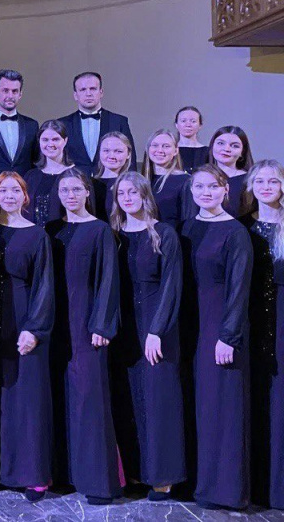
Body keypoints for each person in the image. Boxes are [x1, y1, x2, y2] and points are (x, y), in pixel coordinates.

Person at [108, 172, 186, 501]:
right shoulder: (113, 235)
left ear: (144, 195)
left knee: (158, 401)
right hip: (124, 328)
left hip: (155, 326)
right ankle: (137, 472)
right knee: (129, 399)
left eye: (133, 192)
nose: (127, 198)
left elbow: (172, 285)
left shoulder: (163, 233)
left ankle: (163, 478)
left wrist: (157, 330)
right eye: (121, 193)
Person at [47, 167, 121, 505]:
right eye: (65, 190)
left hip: (86, 324)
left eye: (76, 189)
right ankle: (64, 475)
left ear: (88, 192)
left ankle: (97, 482)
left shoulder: (100, 230)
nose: (70, 195)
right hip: (55, 325)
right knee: (59, 397)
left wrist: (101, 325)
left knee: (89, 398)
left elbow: (108, 279)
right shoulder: (52, 230)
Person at [180, 165, 252, 510]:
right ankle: (196, 483)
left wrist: (228, 335)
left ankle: (224, 491)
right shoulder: (185, 227)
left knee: (221, 407)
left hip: (218, 327)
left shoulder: (235, 232)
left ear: (226, 190)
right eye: (199, 187)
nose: (205, 192)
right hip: (188, 328)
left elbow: (239, 288)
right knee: (196, 407)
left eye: (212, 186)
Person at [0, 171, 54, 502]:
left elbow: (44, 285)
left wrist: (34, 329)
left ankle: (33, 475)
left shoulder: (37, 234)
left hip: (24, 318)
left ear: (25, 197)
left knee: (27, 397)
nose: (10, 196)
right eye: (4, 190)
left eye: (16, 190)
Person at [245, 159, 283, 508]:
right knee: (254, 397)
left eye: (273, 181)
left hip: (282, 323)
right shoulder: (242, 226)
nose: (266, 187)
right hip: (251, 321)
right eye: (260, 181)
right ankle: (255, 486)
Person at [58, 72, 134, 174]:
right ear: (75, 95)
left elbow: (131, 158)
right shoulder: (62, 124)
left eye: (93, 89)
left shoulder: (119, 121)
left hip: (111, 180)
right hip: (75, 180)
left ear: (101, 92)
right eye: (83, 90)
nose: (88, 94)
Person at [24, 120, 74, 225]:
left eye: (55, 139)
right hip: (34, 234)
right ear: (39, 141)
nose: (50, 144)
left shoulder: (76, 175)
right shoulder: (31, 176)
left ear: (65, 141)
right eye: (45, 140)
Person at [141, 128, 194, 227]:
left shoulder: (185, 181)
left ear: (176, 151)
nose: (160, 150)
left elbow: (189, 220)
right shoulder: (141, 180)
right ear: (148, 149)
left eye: (166, 146)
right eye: (155, 145)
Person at [208, 125, 254, 217]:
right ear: (212, 146)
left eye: (235, 146)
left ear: (242, 152)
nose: (226, 149)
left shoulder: (250, 180)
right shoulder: (200, 177)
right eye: (221, 143)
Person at [91, 132, 133, 221]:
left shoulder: (134, 184)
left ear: (128, 154)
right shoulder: (89, 184)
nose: (111, 156)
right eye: (106, 151)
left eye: (118, 151)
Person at [175, 106, 208, 173]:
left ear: (200, 125)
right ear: (176, 125)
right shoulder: (171, 151)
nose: (188, 125)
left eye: (193, 121)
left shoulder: (208, 151)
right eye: (183, 121)